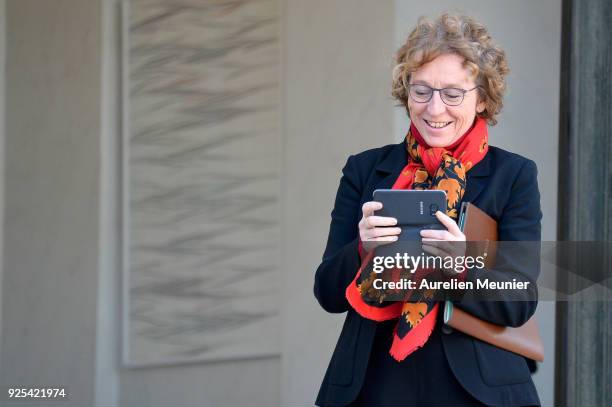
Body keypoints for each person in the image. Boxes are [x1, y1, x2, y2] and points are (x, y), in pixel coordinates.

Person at [314, 13, 542, 407]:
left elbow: (520, 300)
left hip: (475, 389)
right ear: (406, 93)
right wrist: (361, 249)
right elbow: (328, 293)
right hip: (375, 383)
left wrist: (462, 265)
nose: (435, 109)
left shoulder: (514, 174)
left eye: (453, 94)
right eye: (421, 91)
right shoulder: (365, 169)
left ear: (483, 98)